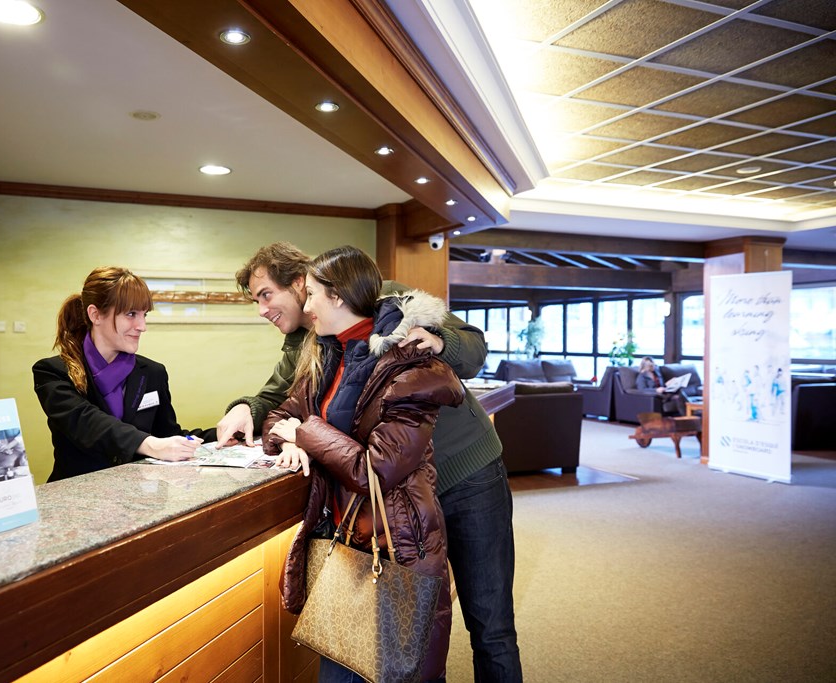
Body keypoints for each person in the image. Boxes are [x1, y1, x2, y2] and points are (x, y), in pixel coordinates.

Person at [217, 242, 523, 681]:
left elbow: (474, 347)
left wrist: (439, 340)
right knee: (409, 635)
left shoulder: (389, 300)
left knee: (490, 624)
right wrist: (247, 407)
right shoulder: (310, 343)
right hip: (402, 500)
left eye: (265, 294)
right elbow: (281, 399)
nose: (261, 308)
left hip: (467, 475)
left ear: (302, 284)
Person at [261, 245, 464, 682]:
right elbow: (278, 416)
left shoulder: (412, 370)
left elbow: (375, 469)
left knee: (400, 672)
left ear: (337, 296)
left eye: (311, 294)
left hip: (397, 546)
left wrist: (306, 433)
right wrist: (289, 437)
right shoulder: (326, 356)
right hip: (342, 542)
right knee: (338, 672)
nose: (307, 305)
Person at [33, 266, 202, 482]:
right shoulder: (53, 373)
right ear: (95, 315)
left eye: (144, 315)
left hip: (140, 500)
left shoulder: (152, 372)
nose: (142, 326)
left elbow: (166, 434)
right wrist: (151, 444)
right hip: (78, 501)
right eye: (131, 314)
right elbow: (89, 424)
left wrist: (220, 435)